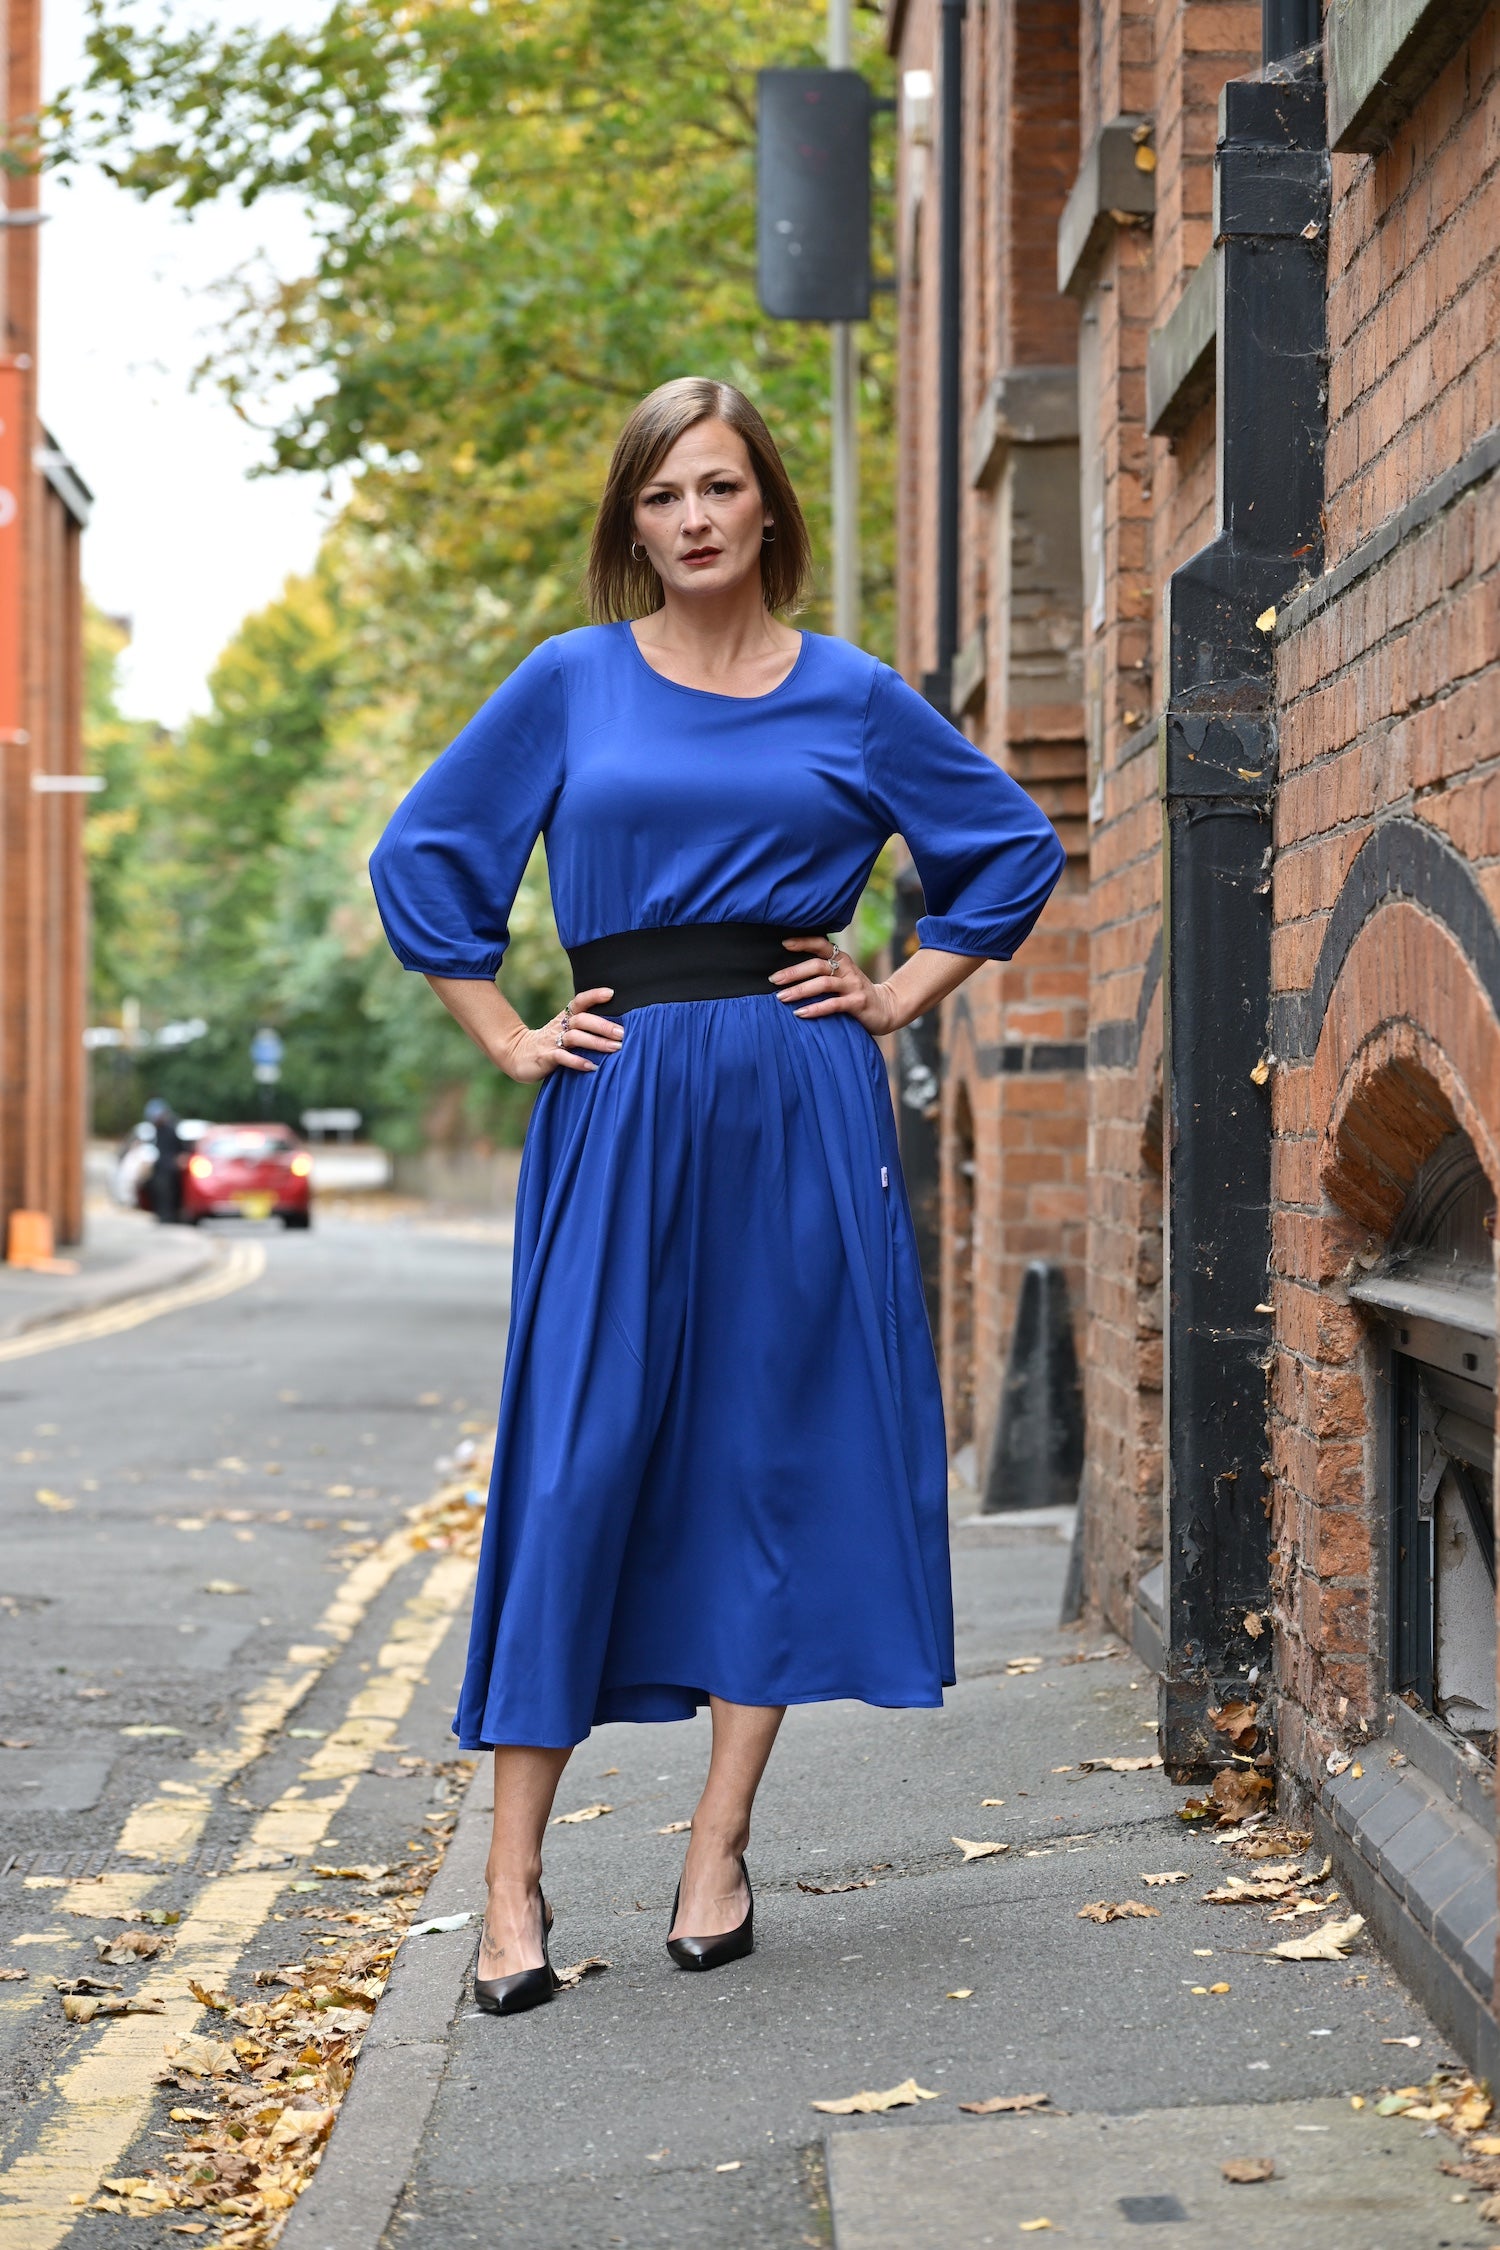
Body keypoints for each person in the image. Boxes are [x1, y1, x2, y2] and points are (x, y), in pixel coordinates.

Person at [369, 377, 1065, 2016]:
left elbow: (1010, 849)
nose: (688, 519)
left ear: (769, 512)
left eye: (717, 489)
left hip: (799, 1099)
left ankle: (717, 1850)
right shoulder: (570, 685)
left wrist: (903, 992)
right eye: (660, 496)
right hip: (618, 1100)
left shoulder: (854, 697)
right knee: (578, 1464)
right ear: (634, 525)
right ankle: (511, 1884)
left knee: (768, 1461)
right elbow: (429, 854)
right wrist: (505, 1032)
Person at [145, 1098, 183, 1226]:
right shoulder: (155, 1131)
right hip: (160, 1167)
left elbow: (179, 1149)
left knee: (167, 1192)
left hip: (168, 1168)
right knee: (159, 1191)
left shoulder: (170, 1129)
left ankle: (168, 1217)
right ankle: (162, 1215)